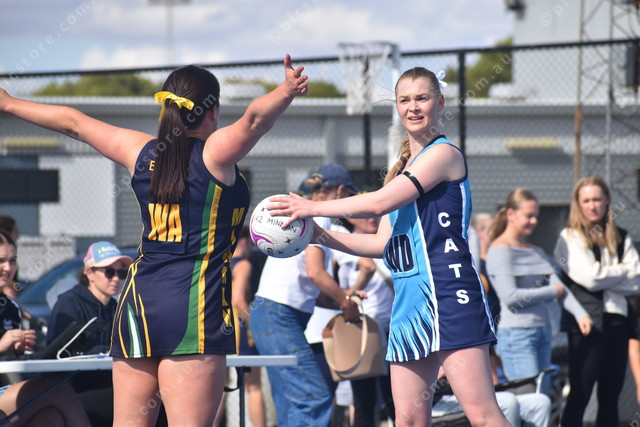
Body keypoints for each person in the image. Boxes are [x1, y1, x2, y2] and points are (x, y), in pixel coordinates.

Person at [0, 54, 309, 426]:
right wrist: (286, 90)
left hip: (138, 305)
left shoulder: (141, 151)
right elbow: (255, 120)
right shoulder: (215, 154)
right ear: (212, 111)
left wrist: (9, 103)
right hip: (193, 306)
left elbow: (75, 124)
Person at [268, 67, 509, 426]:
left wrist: (311, 207)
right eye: (405, 100)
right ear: (396, 106)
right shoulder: (399, 170)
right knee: (407, 420)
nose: (413, 107)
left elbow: (378, 203)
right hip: (409, 298)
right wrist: (318, 235)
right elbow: (382, 243)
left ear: (440, 102)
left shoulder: (444, 155)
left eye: (422, 98)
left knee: (483, 415)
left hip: (449, 291)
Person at [250, 163, 364, 427]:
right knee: (313, 399)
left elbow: (308, 287)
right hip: (280, 316)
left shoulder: (302, 214)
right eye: (349, 195)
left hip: (268, 313)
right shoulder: (318, 216)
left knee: (290, 401)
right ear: (341, 191)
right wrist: (346, 302)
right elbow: (315, 273)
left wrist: (343, 298)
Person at [486, 188, 592, 395]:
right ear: (511, 214)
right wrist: (552, 292)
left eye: (536, 216)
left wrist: (581, 314)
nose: (534, 221)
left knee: (542, 396)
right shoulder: (499, 251)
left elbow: (560, 288)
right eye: (529, 216)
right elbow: (511, 298)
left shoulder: (536, 251)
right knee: (530, 400)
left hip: (543, 332)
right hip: (517, 335)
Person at [554, 175, 640, 427]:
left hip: (618, 323)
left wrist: (606, 276)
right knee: (580, 393)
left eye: (597, 199)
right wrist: (622, 271)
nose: (592, 205)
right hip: (587, 325)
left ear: (607, 201)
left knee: (610, 395)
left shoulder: (621, 237)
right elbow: (590, 279)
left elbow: (636, 281)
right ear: (578, 204)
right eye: (586, 200)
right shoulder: (570, 237)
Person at [0, 230, 91, 426]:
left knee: (51, 418)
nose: (8, 268)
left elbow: (9, 363)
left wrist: (18, 350)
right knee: (59, 389)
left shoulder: (10, 306)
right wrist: (2, 344)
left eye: (12, 261)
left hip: (7, 388)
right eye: (1, 261)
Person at [334, 214, 396, 427]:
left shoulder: (391, 241)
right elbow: (340, 291)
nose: (373, 218)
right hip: (362, 333)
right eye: (365, 214)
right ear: (351, 219)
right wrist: (352, 295)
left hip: (392, 331)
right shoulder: (344, 248)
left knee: (396, 399)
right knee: (363, 401)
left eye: (375, 213)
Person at [47, 241, 133, 355]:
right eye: (109, 272)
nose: (116, 279)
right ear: (89, 273)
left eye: (122, 273)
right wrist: (105, 351)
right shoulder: (69, 304)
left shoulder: (116, 308)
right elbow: (63, 353)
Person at [230, 226, 265, 427]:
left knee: (220, 386)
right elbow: (238, 300)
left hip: (221, 328)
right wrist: (254, 323)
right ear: (244, 241)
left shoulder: (220, 263)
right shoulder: (243, 264)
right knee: (253, 387)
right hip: (240, 330)